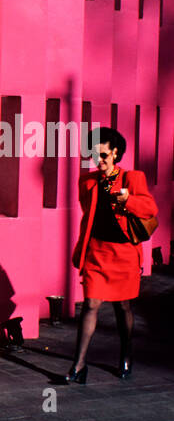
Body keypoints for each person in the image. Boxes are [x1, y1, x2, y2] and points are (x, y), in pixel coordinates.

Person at [61, 126, 158, 383]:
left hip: (124, 254)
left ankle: (126, 352)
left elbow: (149, 208)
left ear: (115, 153)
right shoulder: (88, 181)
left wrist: (127, 200)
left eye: (103, 155)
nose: (99, 160)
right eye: (94, 155)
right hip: (97, 251)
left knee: (122, 306)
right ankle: (79, 365)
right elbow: (89, 214)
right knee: (91, 304)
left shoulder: (132, 178)